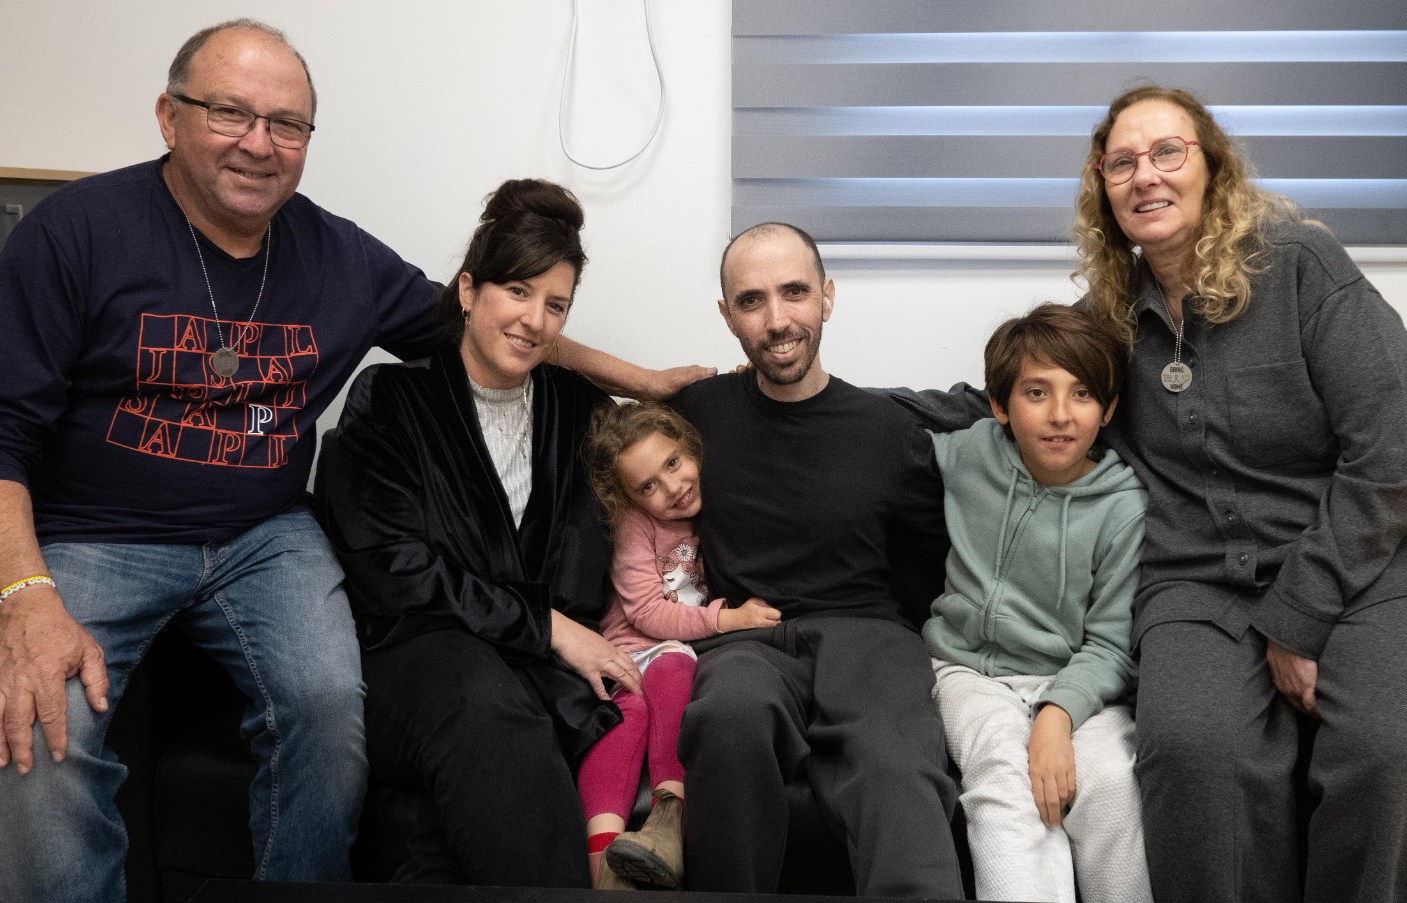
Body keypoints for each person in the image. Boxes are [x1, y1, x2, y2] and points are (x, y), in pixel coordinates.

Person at [891, 86, 1407, 903]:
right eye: (1122, 162)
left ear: (1212, 168)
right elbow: (1012, 392)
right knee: (1187, 750)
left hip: (1351, 563)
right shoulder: (1109, 312)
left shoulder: (1302, 265)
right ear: (1103, 186)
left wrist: (1298, 614)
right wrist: (836, 401)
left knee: (1382, 748)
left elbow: (1391, 447)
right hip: (1192, 581)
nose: (1145, 176)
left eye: (1168, 153)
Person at [0, 20, 438, 902]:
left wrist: (645, 377)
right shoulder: (72, 232)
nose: (259, 143)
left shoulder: (339, 255)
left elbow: (483, 327)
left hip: (264, 532)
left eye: (287, 125)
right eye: (230, 113)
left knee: (324, 710)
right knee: (39, 734)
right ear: (169, 116)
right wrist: (23, 594)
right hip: (92, 534)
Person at [315, 178, 647, 887]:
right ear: (468, 290)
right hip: (414, 658)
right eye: (517, 292)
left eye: (555, 304)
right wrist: (545, 624)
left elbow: (581, 568)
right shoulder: (392, 399)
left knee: (437, 833)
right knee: (479, 700)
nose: (533, 319)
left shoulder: (577, 409)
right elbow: (393, 569)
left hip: (527, 674)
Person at [667, 222, 964, 898]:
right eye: (752, 301)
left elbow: (925, 564)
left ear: (826, 297)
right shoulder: (696, 415)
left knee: (894, 760)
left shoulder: (889, 431)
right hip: (748, 636)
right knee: (725, 716)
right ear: (727, 316)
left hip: (868, 635)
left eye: (794, 292)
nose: (777, 320)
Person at [925, 303, 1150, 903]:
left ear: (1107, 410)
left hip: (1079, 681)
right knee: (1004, 783)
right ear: (1000, 407)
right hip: (968, 672)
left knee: (1110, 784)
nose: (1059, 416)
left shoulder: (1123, 505)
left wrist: (1056, 717)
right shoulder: (970, 454)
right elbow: (867, 426)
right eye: (1035, 392)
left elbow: (1110, 644)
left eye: (1081, 394)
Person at [578, 401, 781, 889]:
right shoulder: (635, 524)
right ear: (626, 497)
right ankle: (604, 864)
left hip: (676, 653)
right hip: (630, 646)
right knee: (630, 715)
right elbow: (646, 613)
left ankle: (667, 822)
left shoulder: (719, 500)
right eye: (648, 486)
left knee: (673, 674)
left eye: (673, 463)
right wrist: (726, 618)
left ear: (691, 448)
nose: (673, 487)